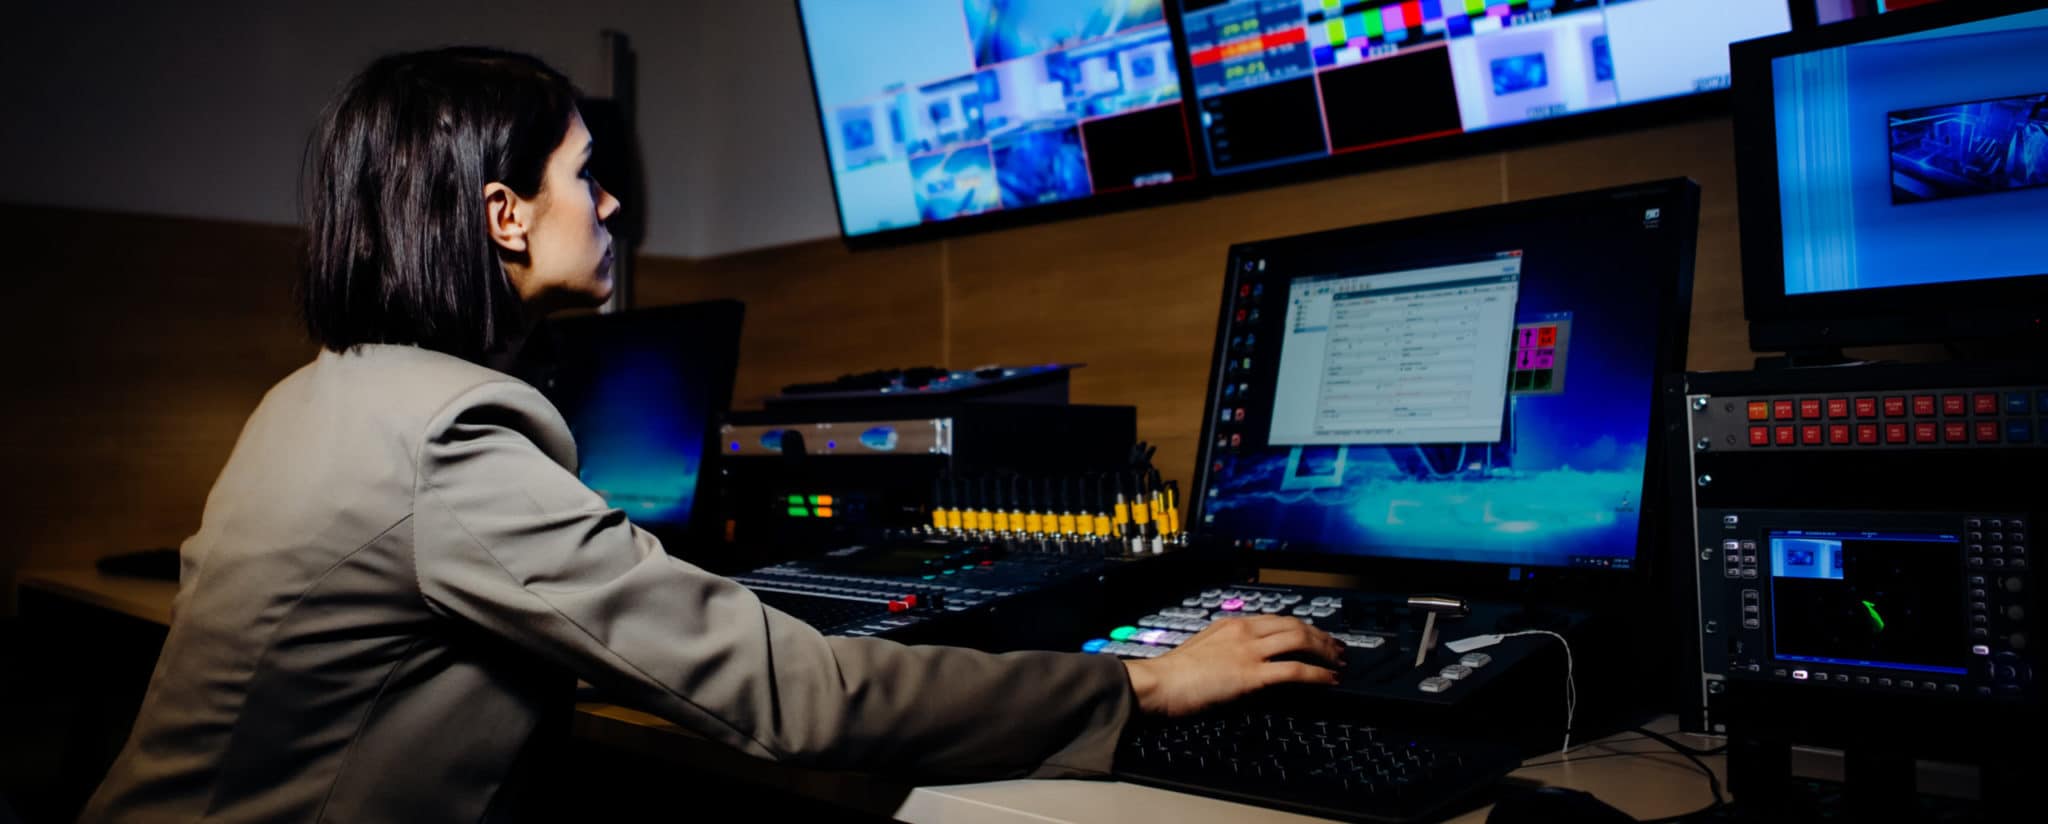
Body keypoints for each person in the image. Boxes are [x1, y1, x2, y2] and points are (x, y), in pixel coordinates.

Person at [82, 47, 1343, 822]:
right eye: (588, 174)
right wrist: (1140, 678)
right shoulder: (447, 438)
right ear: (507, 217)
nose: (613, 200)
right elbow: (800, 696)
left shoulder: (319, 394)